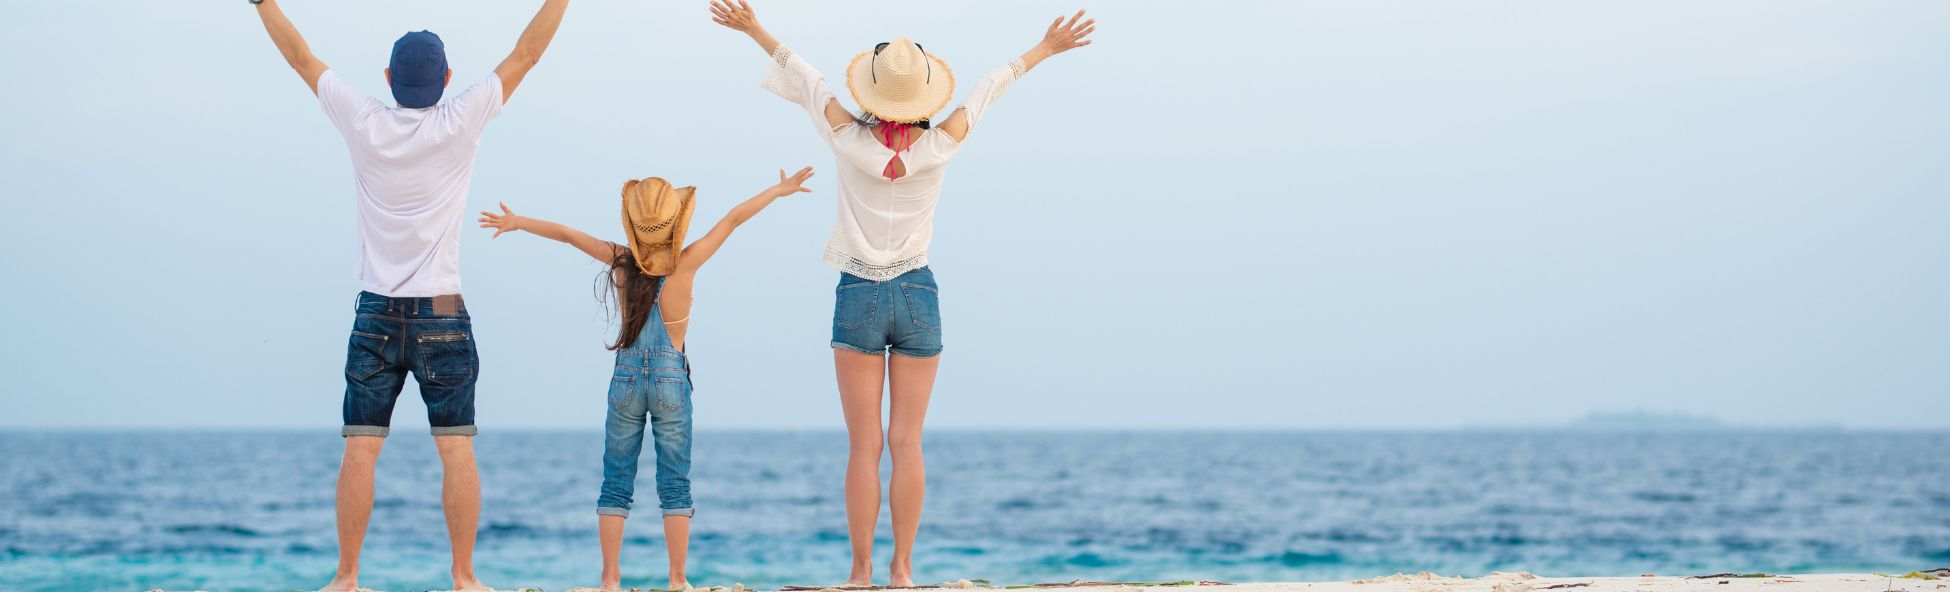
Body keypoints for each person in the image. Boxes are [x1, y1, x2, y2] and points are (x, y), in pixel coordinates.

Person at [708, 1, 1097, 586]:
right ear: (924, 99)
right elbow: (989, 88)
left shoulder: (845, 137)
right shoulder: (941, 145)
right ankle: (903, 569)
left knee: (864, 447)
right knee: (907, 443)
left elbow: (806, 75)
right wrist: (1044, 49)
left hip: (859, 290)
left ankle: (860, 572)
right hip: (918, 291)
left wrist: (753, 28)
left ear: (872, 93)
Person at [248, 0, 571, 589]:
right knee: (456, 449)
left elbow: (300, 58)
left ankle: (346, 578)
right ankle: (465, 578)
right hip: (443, 310)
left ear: (389, 78)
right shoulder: (461, 120)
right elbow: (528, 53)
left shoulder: (363, 120)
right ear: (447, 79)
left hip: (375, 311)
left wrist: (263, 2)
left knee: (361, 449)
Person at [477, 168, 816, 591]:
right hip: (671, 379)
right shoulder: (688, 262)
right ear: (675, 225)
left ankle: (609, 579)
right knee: (675, 483)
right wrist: (779, 190)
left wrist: (517, 222)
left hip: (626, 378)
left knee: (615, 480)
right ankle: (677, 579)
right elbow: (732, 219)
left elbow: (566, 233)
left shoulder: (621, 260)